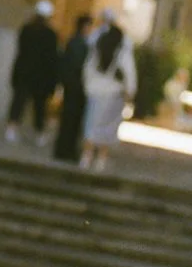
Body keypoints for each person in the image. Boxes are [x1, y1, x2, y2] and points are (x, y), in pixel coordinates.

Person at [79, 13, 137, 172]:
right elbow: (130, 73)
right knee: (108, 128)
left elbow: (87, 71)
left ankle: (86, 156)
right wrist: (130, 92)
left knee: (91, 125)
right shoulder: (122, 52)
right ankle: (101, 159)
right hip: (114, 94)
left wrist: (88, 88)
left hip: (96, 92)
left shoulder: (97, 50)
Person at [6, 0, 61, 142]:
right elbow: (52, 58)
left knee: (19, 101)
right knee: (39, 106)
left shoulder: (26, 30)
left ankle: (12, 128)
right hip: (40, 75)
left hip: (24, 72)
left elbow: (21, 51)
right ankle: (39, 133)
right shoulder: (50, 35)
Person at [51, 12, 93, 164]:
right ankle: (66, 150)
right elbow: (76, 65)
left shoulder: (76, 42)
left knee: (70, 120)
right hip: (75, 87)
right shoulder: (78, 43)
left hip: (73, 86)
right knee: (71, 120)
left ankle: (65, 149)